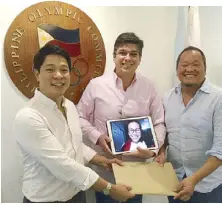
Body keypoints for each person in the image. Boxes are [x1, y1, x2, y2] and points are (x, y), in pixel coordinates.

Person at [13, 44, 135, 203]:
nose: (58, 75)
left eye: (64, 70)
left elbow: (74, 143)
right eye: (50, 69)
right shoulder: (28, 117)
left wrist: (100, 160)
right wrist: (108, 188)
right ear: (37, 74)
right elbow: (61, 164)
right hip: (46, 199)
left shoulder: (69, 106)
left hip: (77, 194)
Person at [77, 32, 166, 203]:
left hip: (137, 169)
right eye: (122, 52)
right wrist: (97, 137)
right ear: (114, 56)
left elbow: (159, 122)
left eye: (134, 54)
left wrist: (154, 149)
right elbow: (79, 117)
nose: (127, 58)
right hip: (106, 170)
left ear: (140, 59)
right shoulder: (96, 85)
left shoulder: (149, 87)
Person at [155, 46, 222, 203]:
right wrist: (162, 152)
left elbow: (220, 150)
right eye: (184, 65)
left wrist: (193, 179)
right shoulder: (167, 98)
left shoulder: (218, 98)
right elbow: (164, 133)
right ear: (177, 69)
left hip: (208, 186)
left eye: (195, 64)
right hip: (175, 181)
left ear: (205, 68)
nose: (189, 69)